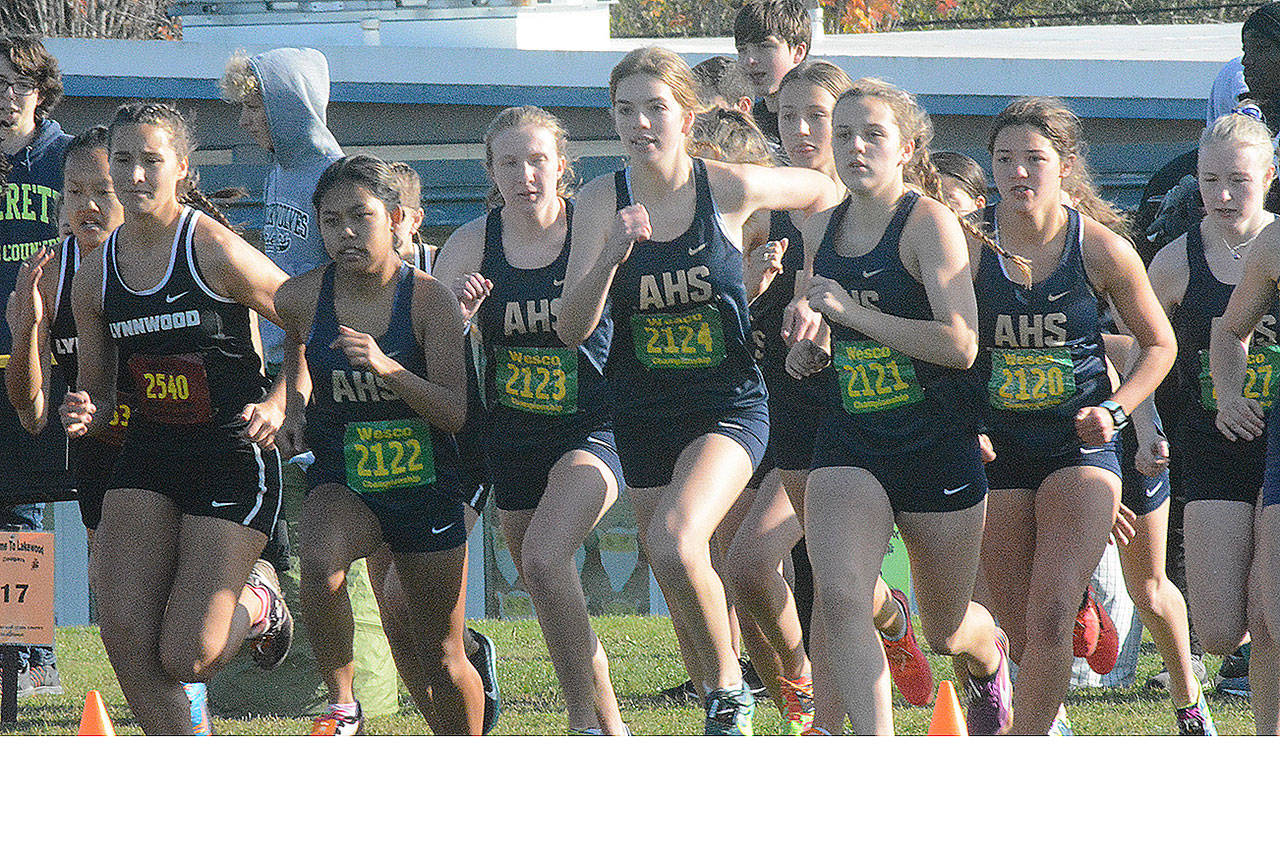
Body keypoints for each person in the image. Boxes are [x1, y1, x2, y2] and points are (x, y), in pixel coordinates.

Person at [558, 45, 832, 735]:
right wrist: (610, 260)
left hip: (729, 404)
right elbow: (569, 326)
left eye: (655, 108)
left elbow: (824, 193)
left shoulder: (728, 187)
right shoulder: (599, 201)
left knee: (680, 542)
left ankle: (729, 695)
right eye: (625, 110)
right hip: (643, 409)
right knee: (674, 573)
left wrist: (808, 293)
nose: (639, 123)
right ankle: (737, 694)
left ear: (685, 114)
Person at [61, 102, 295, 735]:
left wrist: (280, 400)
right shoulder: (94, 276)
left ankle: (262, 601)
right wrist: (85, 409)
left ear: (182, 169)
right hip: (149, 450)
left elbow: (307, 318)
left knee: (187, 654)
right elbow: (99, 391)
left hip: (229, 449)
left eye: (150, 161)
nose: (135, 176)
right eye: (123, 161)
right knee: (124, 634)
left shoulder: (212, 248)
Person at [788, 78, 1009, 736]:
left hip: (937, 443)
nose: (856, 146)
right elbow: (818, 319)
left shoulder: (928, 224)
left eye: (873, 134)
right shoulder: (820, 225)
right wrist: (810, 349)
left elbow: (962, 344)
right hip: (852, 439)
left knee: (946, 629)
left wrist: (851, 313)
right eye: (845, 133)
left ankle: (988, 654)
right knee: (842, 592)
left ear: (906, 148)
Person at [722, 62, 936, 737]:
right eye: (788, 117)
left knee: (769, 560)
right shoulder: (764, 209)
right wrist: (749, 290)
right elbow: (725, 320)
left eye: (818, 117)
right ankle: (873, 632)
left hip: (855, 412)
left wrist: (819, 315)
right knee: (772, 575)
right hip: (777, 404)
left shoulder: (880, 209)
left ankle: (819, 714)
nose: (804, 131)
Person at [971, 96, 1177, 735]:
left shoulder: (1103, 251)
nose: (1018, 174)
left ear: (1063, 166)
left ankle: (1027, 748)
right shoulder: (968, 245)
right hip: (998, 446)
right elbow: (945, 340)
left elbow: (1159, 345)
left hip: (1078, 446)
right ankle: (1047, 716)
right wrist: (964, 422)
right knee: (1018, 623)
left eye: (1033, 159)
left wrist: (1116, 411)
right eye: (1004, 160)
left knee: (1052, 612)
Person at [432, 106, 626, 735]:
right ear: (491, 172)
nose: (525, 175)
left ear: (561, 165)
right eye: (509, 164)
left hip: (593, 428)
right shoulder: (470, 244)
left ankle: (580, 724)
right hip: (512, 436)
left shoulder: (589, 232)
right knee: (550, 586)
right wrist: (458, 318)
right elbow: (432, 345)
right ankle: (612, 727)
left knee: (544, 559)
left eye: (537, 160)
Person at [275, 154, 484, 735]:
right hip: (348, 480)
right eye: (330, 219)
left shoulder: (429, 301)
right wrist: (293, 405)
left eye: (360, 217)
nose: (345, 233)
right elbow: (294, 349)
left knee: (437, 656)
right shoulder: (299, 296)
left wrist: (388, 369)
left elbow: (454, 411)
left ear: (395, 219)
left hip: (426, 487)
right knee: (318, 562)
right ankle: (343, 704)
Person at [383, 159, 502, 733]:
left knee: (407, 600)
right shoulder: (349, 283)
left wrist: (466, 321)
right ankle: (442, 724)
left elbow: (490, 355)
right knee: (393, 612)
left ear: (411, 222)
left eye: (391, 220)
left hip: (456, 458)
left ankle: (467, 667)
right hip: (383, 458)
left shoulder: (447, 272)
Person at [0, 34, 71, 698]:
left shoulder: (63, 158)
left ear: (40, 91)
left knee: (22, 503)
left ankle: (29, 654)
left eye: (16, 83)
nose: (4, 97)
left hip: (42, 354)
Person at [1206, 118, 1280, 736]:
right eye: (1213, 180)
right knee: (1267, 619)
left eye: (1239, 180)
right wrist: (1229, 393)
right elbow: (1228, 330)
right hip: (1265, 440)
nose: (1225, 193)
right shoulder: (1276, 242)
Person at [734, 0, 810, 158]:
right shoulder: (746, 124)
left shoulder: (825, 118)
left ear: (798, 52)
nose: (750, 60)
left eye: (764, 46)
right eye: (742, 50)